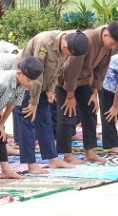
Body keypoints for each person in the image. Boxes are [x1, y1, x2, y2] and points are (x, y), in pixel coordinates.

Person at [13, 30, 89, 174]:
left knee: (45, 119)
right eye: (69, 53)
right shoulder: (44, 42)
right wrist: (33, 102)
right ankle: (31, 164)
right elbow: (35, 73)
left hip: (41, 85)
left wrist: (50, 89)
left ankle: (53, 158)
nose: (68, 56)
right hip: (25, 82)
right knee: (27, 118)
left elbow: (56, 70)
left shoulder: (65, 46)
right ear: (65, 43)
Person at [56, 22, 118, 165]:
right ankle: (67, 155)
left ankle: (90, 152)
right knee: (67, 115)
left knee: (90, 112)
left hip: (83, 82)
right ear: (105, 34)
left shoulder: (109, 45)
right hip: (65, 81)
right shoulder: (86, 40)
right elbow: (71, 69)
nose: (113, 47)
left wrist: (95, 92)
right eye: (112, 43)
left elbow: (102, 69)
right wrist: (70, 95)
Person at [0, 57, 43, 179]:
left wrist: (2, 124)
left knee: (1, 136)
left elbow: (12, 104)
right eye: (29, 80)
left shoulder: (21, 85)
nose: (30, 84)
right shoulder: (3, 81)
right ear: (19, 74)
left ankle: (6, 170)